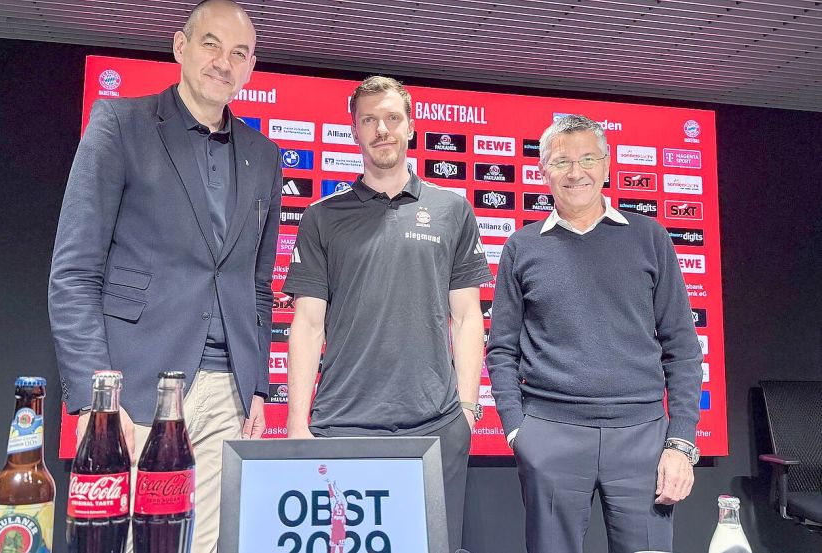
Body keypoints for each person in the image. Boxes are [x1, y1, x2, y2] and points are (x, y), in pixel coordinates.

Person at [47, 1, 280, 550]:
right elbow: (75, 273)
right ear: (180, 46)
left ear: (250, 69)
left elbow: (257, 287)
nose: (224, 62)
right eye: (211, 44)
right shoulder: (120, 125)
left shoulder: (264, 156)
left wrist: (260, 388)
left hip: (229, 395)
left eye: (239, 53)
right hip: (135, 390)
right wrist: (92, 401)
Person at [283, 76, 491, 551]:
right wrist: (298, 424)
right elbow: (308, 323)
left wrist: (466, 409)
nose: (382, 129)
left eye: (392, 118)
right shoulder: (322, 216)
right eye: (370, 120)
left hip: (435, 425)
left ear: (411, 126)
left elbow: (467, 317)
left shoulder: (452, 210)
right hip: (342, 423)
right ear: (355, 131)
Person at [486, 114, 703, 553]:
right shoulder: (522, 247)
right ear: (542, 170)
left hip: (642, 436)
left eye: (588, 158)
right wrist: (516, 430)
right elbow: (501, 349)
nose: (575, 172)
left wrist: (681, 442)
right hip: (550, 434)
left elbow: (682, 348)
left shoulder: (650, 237)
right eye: (561, 161)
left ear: (607, 165)